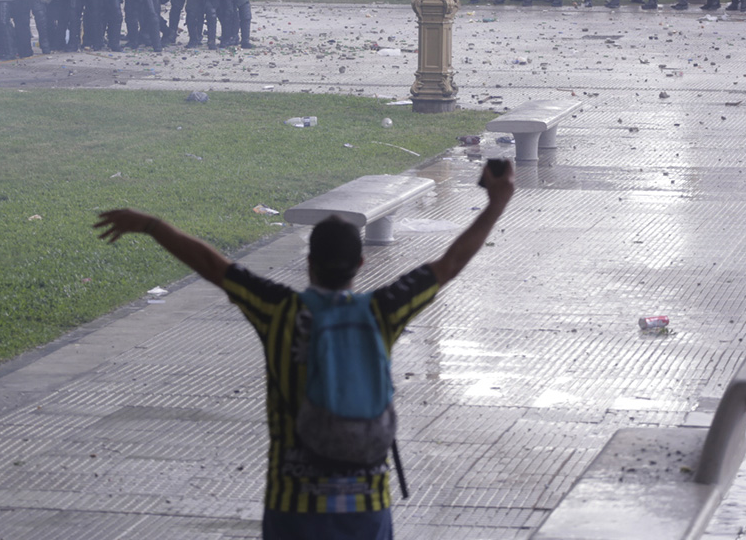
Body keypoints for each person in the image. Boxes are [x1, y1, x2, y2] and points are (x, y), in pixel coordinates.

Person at [94, 160, 515, 540]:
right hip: (365, 510)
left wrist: (150, 224)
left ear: (309, 262)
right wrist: (496, 204)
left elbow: (214, 266)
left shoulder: (277, 310)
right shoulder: (382, 312)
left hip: (293, 509)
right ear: (361, 265)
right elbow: (447, 265)